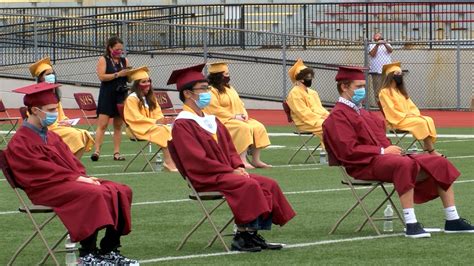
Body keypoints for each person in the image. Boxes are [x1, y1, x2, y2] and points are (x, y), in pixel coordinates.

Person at [323, 66, 474, 238]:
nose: (363, 91)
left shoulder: (362, 112)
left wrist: (388, 150)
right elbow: (348, 151)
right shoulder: (337, 116)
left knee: (439, 162)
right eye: (358, 87)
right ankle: (411, 223)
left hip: (382, 159)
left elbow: (381, 139)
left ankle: (452, 219)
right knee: (403, 163)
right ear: (344, 87)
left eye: (364, 86)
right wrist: (382, 150)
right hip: (362, 164)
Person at [168, 64, 296, 252]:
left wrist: (238, 165)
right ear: (187, 94)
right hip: (205, 177)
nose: (207, 93)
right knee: (249, 185)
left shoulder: (211, 120)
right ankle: (241, 237)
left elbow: (230, 149)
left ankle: (251, 235)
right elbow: (196, 160)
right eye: (203, 89)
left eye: (207, 88)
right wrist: (230, 170)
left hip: (225, 173)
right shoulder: (183, 125)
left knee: (269, 183)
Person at [6, 83, 138, 265]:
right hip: (44, 188)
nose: (55, 114)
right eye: (51, 109)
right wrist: (76, 178)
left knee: (122, 190)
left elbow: (71, 162)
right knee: (94, 193)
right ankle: (88, 254)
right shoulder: (20, 141)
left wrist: (81, 176)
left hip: (65, 182)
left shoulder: (51, 136)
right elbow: (37, 172)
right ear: (35, 110)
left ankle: (108, 249)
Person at [204, 62, 271, 168]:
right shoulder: (211, 90)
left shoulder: (229, 88)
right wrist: (234, 117)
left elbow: (240, 103)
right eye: (225, 74)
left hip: (237, 119)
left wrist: (243, 115)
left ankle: (256, 159)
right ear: (218, 76)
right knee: (242, 128)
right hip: (222, 121)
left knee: (258, 126)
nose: (228, 76)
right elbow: (214, 109)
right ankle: (241, 159)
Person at [28, 57, 94, 159]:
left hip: (59, 127)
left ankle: (72, 166)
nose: (51, 76)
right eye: (48, 74)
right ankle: (72, 167)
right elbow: (34, 118)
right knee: (77, 136)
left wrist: (66, 122)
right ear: (41, 78)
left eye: (52, 73)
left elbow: (61, 116)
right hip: (47, 129)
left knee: (84, 134)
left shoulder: (54, 94)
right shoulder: (35, 95)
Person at [378, 62, 442, 156]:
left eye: (401, 74)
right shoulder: (384, 92)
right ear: (391, 76)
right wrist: (406, 116)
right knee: (421, 122)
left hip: (407, 118)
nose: (400, 76)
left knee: (429, 119)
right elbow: (390, 110)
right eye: (397, 74)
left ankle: (427, 146)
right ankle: (431, 151)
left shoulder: (400, 91)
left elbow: (412, 107)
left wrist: (413, 115)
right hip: (397, 121)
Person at [123, 66, 178, 172]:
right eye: (144, 82)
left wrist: (162, 121)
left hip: (151, 127)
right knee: (163, 130)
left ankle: (176, 161)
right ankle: (168, 162)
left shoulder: (150, 98)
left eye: (149, 81)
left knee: (172, 129)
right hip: (136, 129)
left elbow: (157, 113)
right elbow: (135, 118)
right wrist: (156, 122)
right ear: (137, 84)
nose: (147, 84)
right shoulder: (132, 99)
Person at [92, 36, 130, 161]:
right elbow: (102, 77)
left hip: (120, 95)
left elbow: (129, 79)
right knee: (102, 124)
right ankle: (96, 151)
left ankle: (116, 153)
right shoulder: (104, 59)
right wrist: (118, 74)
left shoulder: (125, 61)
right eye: (117, 49)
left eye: (121, 49)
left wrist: (131, 74)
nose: (119, 51)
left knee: (118, 125)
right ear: (110, 48)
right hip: (107, 94)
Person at [286, 59, 329, 146]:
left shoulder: (313, 92)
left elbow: (319, 109)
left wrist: (329, 116)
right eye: (308, 78)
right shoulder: (295, 93)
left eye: (311, 77)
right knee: (329, 127)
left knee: (337, 123)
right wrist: (323, 119)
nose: (310, 80)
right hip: (304, 123)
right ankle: (332, 154)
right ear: (301, 79)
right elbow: (303, 114)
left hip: (316, 120)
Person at [368, 32, 392, 100]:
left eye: (379, 36)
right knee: (377, 90)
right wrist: (377, 45)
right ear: (374, 38)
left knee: (387, 89)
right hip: (376, 71)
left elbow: (390, 50)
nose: (378, 38)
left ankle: (387, 105)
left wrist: (384, 43)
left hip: (386, 71)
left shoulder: (387, 44)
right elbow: (372, 54)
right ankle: (378, 105)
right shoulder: (371, 45)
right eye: (376, 36)